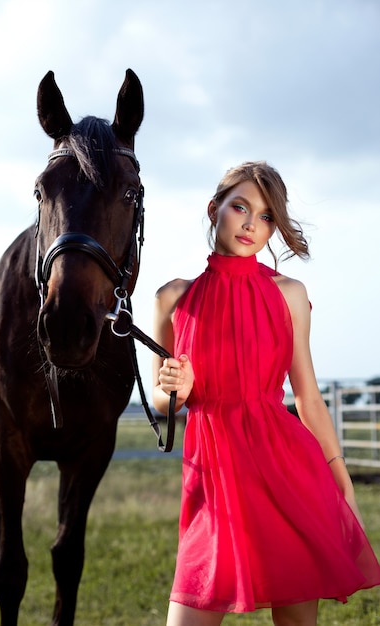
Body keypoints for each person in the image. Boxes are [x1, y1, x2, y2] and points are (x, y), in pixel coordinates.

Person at [152, 161, 380, 626]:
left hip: (287, 476)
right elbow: (160, 399)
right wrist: (182, 390)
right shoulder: (172, 297)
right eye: (240, 207)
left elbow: (309, 399)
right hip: (213, 483)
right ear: (214, 209)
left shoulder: (289, 294)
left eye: (267, 215)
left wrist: (341, 479)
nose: (252, 224)